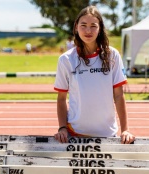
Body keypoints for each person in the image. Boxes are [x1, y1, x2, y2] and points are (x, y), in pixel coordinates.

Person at [54, 6, 134, 144]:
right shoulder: (66, 59)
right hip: (75, 134)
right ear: (76, 27)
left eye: (93, 26)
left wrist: (125, 129)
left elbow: (119, 95)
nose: (88, 30)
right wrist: (62, 128)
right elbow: (61, 99)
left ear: (100, 29)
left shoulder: (112, 55)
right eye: (83, 25)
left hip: (108, 135)